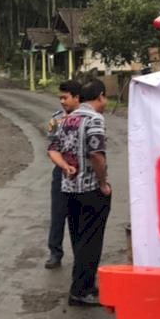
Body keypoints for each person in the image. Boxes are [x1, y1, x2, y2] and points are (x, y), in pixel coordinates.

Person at [48, 79, 110, 307]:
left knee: (79, 239)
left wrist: (65, 168)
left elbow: (53, 149)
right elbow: (96, 155)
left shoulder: (64, 119)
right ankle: (81, 291)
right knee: (91, 242)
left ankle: (83, 285)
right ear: (101, 96)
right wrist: (103, 183)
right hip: (90, 189)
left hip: (69, 188)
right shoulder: (94, 119)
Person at [45, 79, 84, 269]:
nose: (62, 101)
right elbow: (52, 147)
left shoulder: (88, 118)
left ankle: (80, 253)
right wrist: (63, 165)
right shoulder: (56, 119)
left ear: (77, 98)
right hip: (60, 172)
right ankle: (55, 252)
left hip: (82, 174)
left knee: (78, 216)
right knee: (58, 214)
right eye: (60, 97)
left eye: (65, 97)